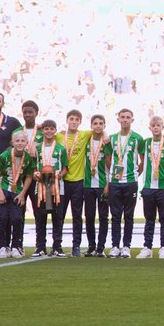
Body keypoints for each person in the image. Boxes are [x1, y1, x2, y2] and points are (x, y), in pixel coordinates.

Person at [106, 108, 144, 258]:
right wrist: (115, 174)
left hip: (131, 182)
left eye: (128, 117)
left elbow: (142, 160)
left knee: (129, 215)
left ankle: (126, 246)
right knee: (115, 215)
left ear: (132, 119)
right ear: (118, 119)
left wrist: (134, 174)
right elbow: (108, 158)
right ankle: (115, 246)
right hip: (115, 182)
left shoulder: (138, 138)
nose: (125, 119)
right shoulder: (112, 138)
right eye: (122, 117)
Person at [56, 109, 91, 257]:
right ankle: (57, 245)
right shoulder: (59, 136)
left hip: (78, 181)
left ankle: (76, 245)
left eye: (77, 119)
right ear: (67, 120)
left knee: (77, 215)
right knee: (59, 215)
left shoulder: (84, 135)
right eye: (71, 119)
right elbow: (45, 133)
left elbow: (100, 131)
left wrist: (106, 135)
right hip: (62, 181)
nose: (74, 122)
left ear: (80, 122)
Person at [0, 130, 34, 259]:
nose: (20, 143)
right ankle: (2, 246)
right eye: (17, 141)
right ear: (12, 142)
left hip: (18, 191)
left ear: (27, 142)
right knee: (3, 219)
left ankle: (16, 246)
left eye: (23, 141)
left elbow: (29, 176)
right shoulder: (4, 156)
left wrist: (23, 194)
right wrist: (0, 192)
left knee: (17, 219)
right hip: (4, 189)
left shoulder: (27, 158)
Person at [33, 119, 69, 258]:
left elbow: (65, 168)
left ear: (55, 130)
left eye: (51, 128)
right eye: (46, 128)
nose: (49, 131)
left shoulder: (61, 149)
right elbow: (34, 167)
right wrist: (36, 174)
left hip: (57, 188)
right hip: (41, 187)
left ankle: (57, 247)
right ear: (42, 131)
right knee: (40, 218)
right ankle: (40, 247)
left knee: (57, 217)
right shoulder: (37, 149)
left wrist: (59, 175)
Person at [138, 116, 164, 259]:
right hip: (148, 187)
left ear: (163, 127)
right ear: (150, 127)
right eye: (153, 125)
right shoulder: (145, 143)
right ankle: (147, 247)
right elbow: (139, 158)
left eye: (158, 125)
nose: (156, 127)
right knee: (149, 218)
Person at [82, 114, 111, 257]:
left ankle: (101, 247)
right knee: (89, 216)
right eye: (95, 123)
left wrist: (108, 184)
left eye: (101, 123)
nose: (98, 126)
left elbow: (109, 165)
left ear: (104, 126)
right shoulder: (86, 140)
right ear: (91, 126)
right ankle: (91, 246)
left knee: (103, 217)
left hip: (102, 185)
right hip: (87, 185)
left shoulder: (106, 143)